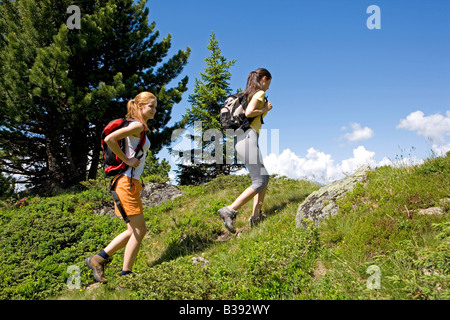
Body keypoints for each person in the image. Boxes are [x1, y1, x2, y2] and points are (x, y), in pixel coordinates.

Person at [85, 91, 156, 283]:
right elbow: (110, 140)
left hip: (127, 182)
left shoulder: (137, 126)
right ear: (140, 106)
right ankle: (126, 276)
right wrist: (126, 159)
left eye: (156, 107)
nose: (154, 110)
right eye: (151, 106)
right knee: (139, 230)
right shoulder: (137, 125)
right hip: (126, 183)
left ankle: (98, 259)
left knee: (131, 230)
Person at [218, 68, 273, 233]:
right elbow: (249, 113)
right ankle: (230, 210)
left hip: (241, 140)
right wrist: (266, 109)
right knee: (260, 181)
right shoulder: (259, 94)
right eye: (269, 82)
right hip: (247, 138)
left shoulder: (247, 96)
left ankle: (256, 216)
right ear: (264, 79)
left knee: (264, 177)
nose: (269, 86)